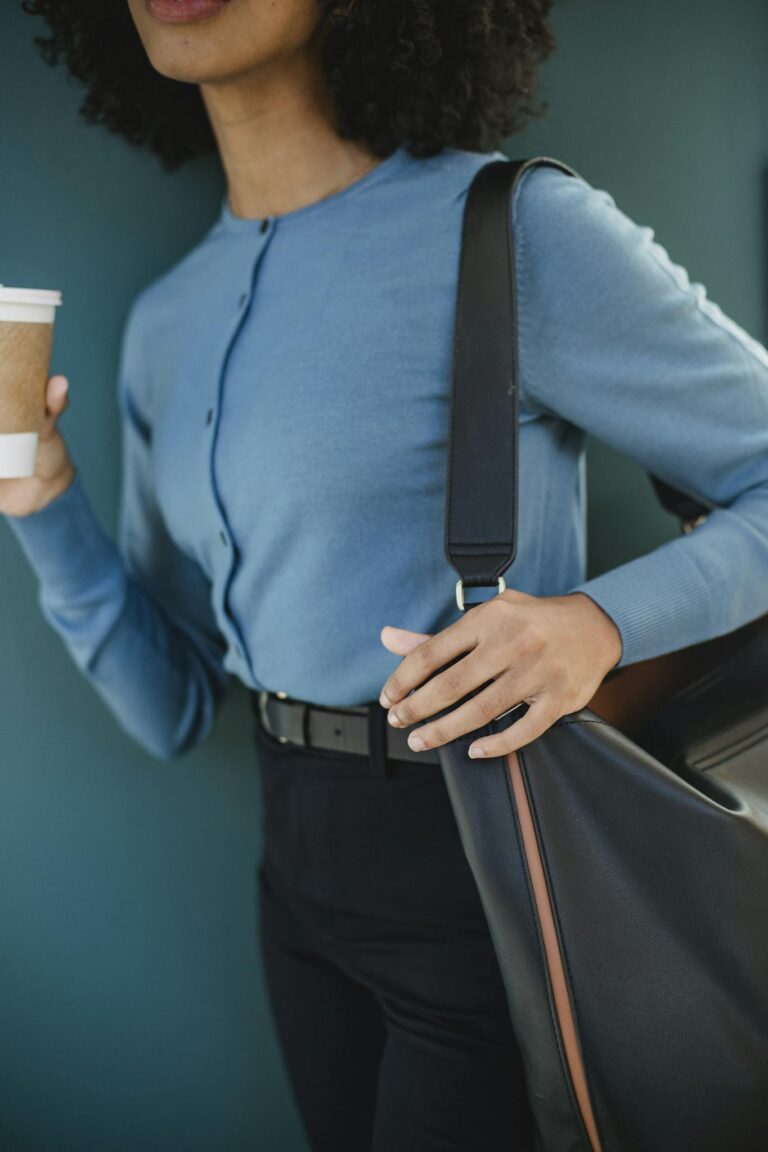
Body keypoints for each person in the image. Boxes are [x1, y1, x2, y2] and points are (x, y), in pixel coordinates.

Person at [6, 1, 768, 1149]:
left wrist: (597, 625)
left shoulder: (514, 229)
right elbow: (170, 711)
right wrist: (41, 498)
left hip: (483, 856)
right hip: (293, 884)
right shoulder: (167, 321)